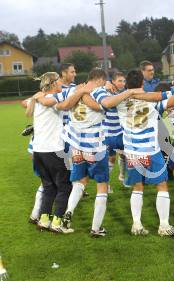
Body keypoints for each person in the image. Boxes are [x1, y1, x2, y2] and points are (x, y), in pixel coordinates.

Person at [37, 68, 139, 237]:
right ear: (100, 80)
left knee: (80, 182)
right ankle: (96, 228)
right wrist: (128, 92)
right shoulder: (98, 91)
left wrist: (80, 94)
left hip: (77, 147)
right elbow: (107, 103)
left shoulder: (73, 90)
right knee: (102, 186)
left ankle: (68, 214)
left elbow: (56, 103)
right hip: (95, 148)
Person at [117, 70, 174, 236]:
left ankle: (136, 225)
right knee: (162, 185)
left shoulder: (120, 103)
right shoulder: (152, 102)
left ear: (127, 85)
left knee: (137, 188)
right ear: (142, 83)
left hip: (132, 152)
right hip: (151, 151)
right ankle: (164, 226)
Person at [30, 72, 91, 233]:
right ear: (52, 84)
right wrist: (81, 92)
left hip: (38, 151)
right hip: (52, 151)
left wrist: (78, 89)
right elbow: (65, 105)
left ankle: (44, 220)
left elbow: (28, 104)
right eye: (58, 81)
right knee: (64, 186)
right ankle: (57, 223)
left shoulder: (39, 99)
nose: (60, 84)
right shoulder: (50, 99)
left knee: (48, 186)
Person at [103, 72, 127, 191]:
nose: (122, 83)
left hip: (121, 131)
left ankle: (122, 177)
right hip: (108, 132)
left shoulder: (124, 93)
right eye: (119, 81)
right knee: (111, 158)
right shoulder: (106, 92)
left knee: (124, 155)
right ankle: (106, 184)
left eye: (123, 81)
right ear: (113, 81)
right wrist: (105, 85)